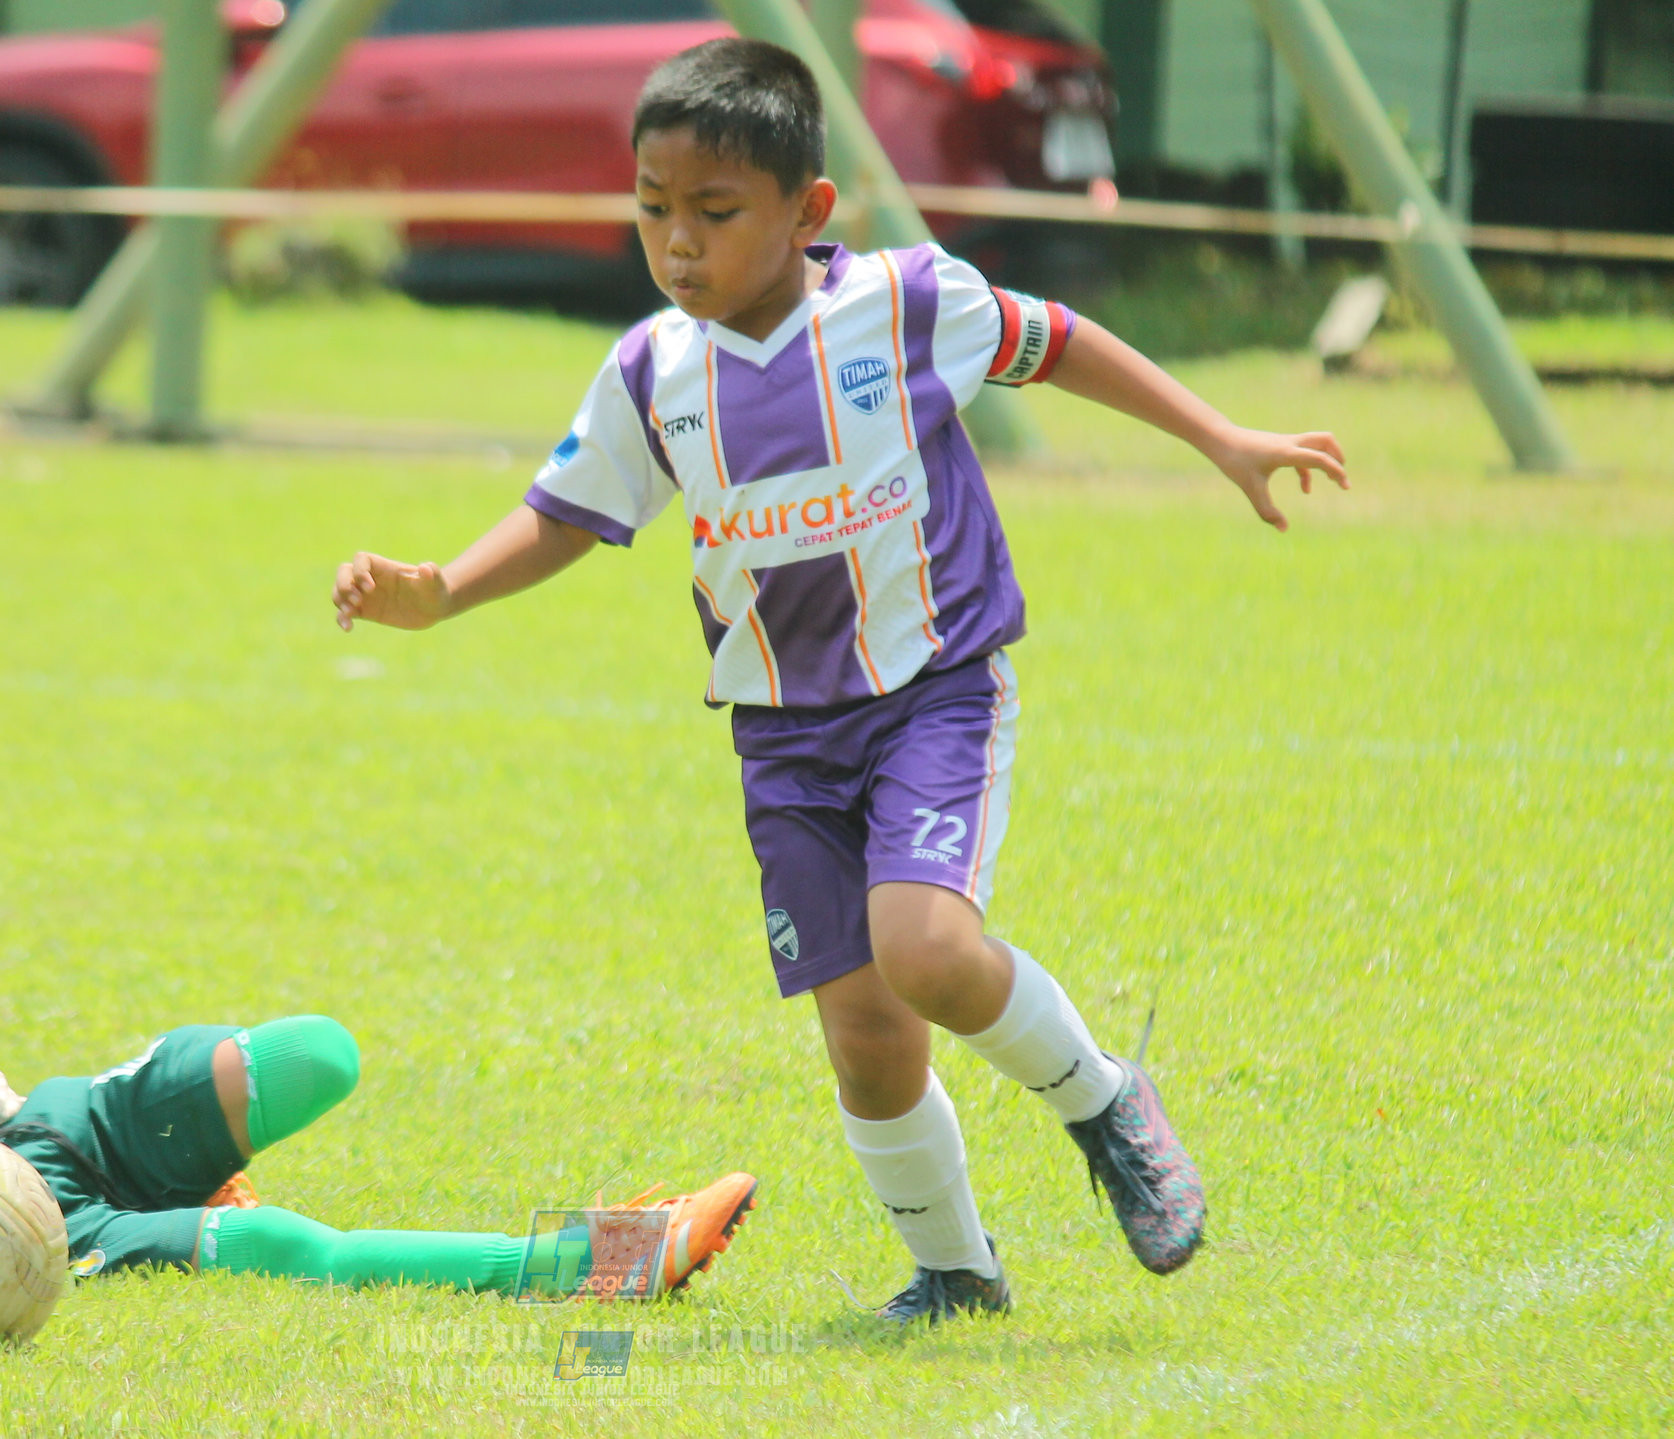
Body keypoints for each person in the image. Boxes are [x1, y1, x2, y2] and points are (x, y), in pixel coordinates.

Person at [332, 38, 1347, 1324]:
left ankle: (1102, 1099)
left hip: (931, 688)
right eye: (651, 210)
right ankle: (952, 1272)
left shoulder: (905, 303)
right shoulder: (653, 367)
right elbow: (569, 514)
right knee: (864, 1031)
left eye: (712, 213)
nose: (677, 245)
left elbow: (1056, 338)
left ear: (807, 211)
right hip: (781, 736)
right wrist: (439, 588)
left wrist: (1219, 435)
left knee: (923, 946)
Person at [0, 633, 757, 1302]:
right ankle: (596, 1259)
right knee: (285, 1250)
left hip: (45, 1122)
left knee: (311, 1051)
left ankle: (196, 1182)